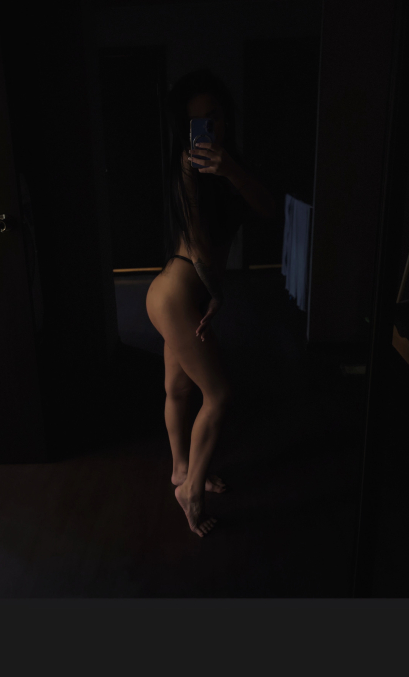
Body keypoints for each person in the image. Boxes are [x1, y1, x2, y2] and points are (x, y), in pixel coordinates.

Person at [145, 68, 275, 537]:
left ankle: (182, 470)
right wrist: (216, 293)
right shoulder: (186, 165)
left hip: (178, 290)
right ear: (186, 128)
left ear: (226, 117)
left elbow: (269, 209)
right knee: (219, 395)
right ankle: (191, 491)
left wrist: (230, 169)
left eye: (215, 116)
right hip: (180, 290)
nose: (210, 127)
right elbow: (199, 242)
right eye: (198, 121)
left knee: (179, 389)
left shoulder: (233, 166)